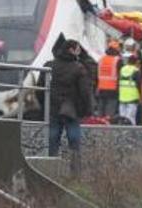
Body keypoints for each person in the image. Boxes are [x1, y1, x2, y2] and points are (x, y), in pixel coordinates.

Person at [48, 39, 94, 175]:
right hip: (71, 110)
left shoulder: (50, 65)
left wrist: (45, 104)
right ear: (71, 50)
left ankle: (51, 170)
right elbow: (85, 91)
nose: (79, 52)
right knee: (74, 141)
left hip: (54, 109)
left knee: (53, 140)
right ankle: (75, 173)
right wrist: (87, 109)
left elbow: (41, 88)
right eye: (78, 49)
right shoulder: (79, 68)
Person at [96, 40, 121, 118]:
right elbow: (120, 74)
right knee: (110, 111)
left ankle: (99, 125)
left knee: (101, 110)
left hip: (101, 87)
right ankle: (108, 126)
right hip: (113, 88)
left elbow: (96, 74)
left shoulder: (101, 59)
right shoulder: (118, 60)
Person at [117, 53, 142, 125]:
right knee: (131, 118)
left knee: (122, 118)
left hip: (122, 97)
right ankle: (131, 135)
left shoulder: (122, 69)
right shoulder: (136, 70)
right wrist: (141, 96)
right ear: (136, 62)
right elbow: (139, 85)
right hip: (132, 98)